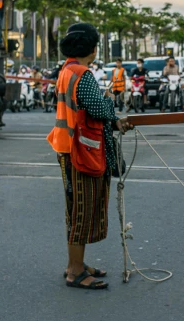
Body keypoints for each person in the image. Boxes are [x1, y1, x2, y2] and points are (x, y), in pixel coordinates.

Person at [47, 23, 132, 290]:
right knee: (81, 209)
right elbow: (97, 107)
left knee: (75, 209)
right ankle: (75, 271)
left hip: (67, 146)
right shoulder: (82, 73)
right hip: (81, 149)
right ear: (93, 49)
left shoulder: (66, 69)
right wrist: (111, 107)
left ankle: (78, 264)